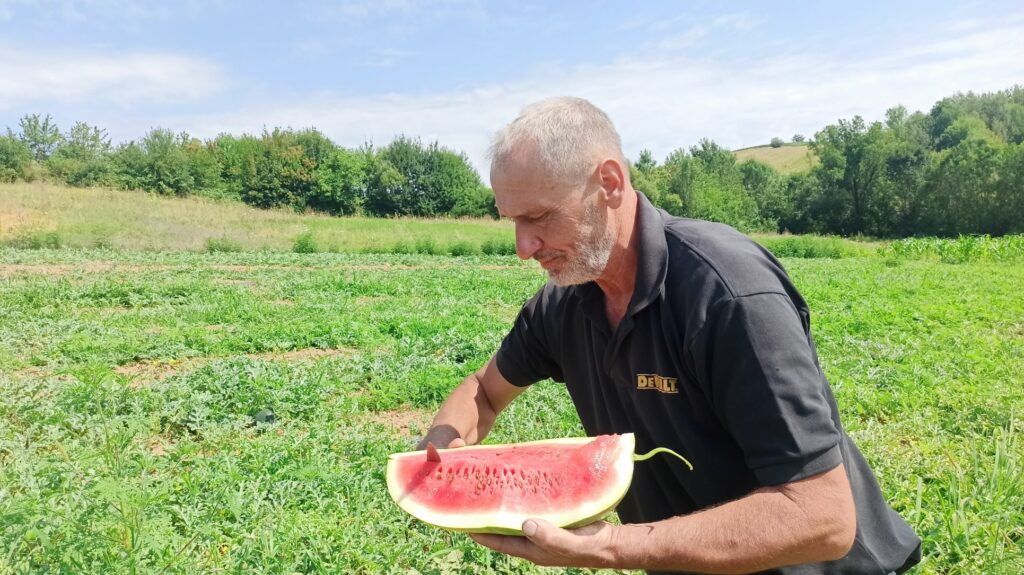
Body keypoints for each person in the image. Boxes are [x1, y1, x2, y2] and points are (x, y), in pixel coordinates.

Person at [416, 97, 921, 574]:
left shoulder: (728, 295)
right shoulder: (563, 304)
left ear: (609, 183)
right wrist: (445, 443)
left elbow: (823, 516)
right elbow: (483, 390)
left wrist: (611, 547)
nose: (523, 247)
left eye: (539, 216)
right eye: (513, 221)